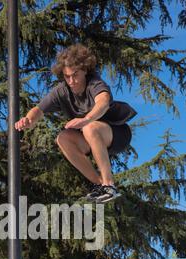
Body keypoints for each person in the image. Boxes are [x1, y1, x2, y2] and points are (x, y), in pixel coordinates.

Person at [15, 44, 137, 203]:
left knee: (90, 127)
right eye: (67, 76)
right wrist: (28, 120)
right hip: (90, 137)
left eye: (75, 75)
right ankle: (99, 185)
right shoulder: (61, 91)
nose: (72, 81)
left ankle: (109, 185)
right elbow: (38, 109)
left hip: (117, 133)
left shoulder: (95, 84)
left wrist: (86, 119)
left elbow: (103, 102)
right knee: (63, 138)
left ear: (85, 70)